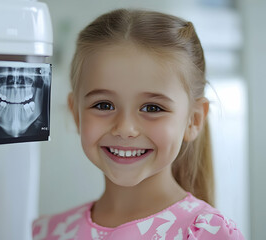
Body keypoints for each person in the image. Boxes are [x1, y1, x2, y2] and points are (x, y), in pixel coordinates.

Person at [32, 9, 245, 239]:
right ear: (76, 113)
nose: (125, 128)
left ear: (193, 120)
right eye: (104, 105)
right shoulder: (44, 232)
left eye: (152, 108)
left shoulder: (208, 233)